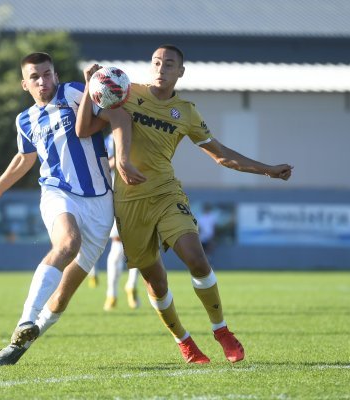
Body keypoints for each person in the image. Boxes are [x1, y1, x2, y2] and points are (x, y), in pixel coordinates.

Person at [77, 44, 293, 364]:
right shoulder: (124, 92)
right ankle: (184, 341)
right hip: (129, 201)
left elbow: (221, 155)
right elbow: (83, 130)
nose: (161, 68)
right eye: (156, 62)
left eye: (169, 64)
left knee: (196, 257)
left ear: (181, 72)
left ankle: (221, 330)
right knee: (156, 282)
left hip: (166, 193)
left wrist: (267, 170)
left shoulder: (187, 112)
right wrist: (89, 86)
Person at [0, 52, 144, 366]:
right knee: (67, 244)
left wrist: (121, 158)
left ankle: (21, 343)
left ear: (55, 73)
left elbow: (118, 117)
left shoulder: (76, 92)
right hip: (57, 192)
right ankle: (26, 319)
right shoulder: (24, 120)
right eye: (35, 77)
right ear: (25, 84)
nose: (43, 81)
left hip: (100, 204)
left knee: (64, 294)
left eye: (47, 73)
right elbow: (24, 158)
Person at [102, 133, 140, 311]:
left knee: (139, 244)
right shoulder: (111, 139)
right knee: (119, 246)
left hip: (138, 193)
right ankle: (114, 292)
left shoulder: (141, 132)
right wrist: (121, 160)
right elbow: (104, 164)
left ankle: (126, 287)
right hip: (118, 194)